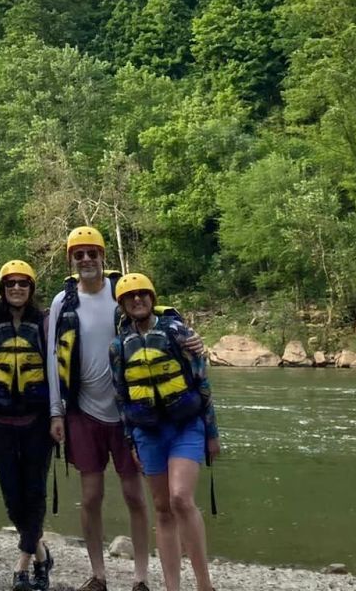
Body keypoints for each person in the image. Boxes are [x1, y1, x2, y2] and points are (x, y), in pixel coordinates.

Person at [46, 226, 152, 591]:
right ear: (71, 260)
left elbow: (155, 321)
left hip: (127, 412)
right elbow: (50, 358)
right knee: (90, 496)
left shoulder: (122, 294)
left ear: (102, 256)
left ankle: (140, 576)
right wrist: (55, 412)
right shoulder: (63, 302)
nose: (87, 259)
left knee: (135, 495)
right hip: (82, 410)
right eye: (79, 254)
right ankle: (99, 573)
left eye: (93, 252)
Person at [109, 273, 219, 591]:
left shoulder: (177, 332)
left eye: (143, 294)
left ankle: (204, 584)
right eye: (130, 297)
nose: (137, 299)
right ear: (123, 305)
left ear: (152, 298)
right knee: (161, 507)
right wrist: (130, 440)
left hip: (186, 425)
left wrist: (212, 433)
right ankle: (172, 586)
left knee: (181, 498)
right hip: (148, 433)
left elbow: (202, 383)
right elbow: (122, 396)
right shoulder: (118, 347)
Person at [0, 260, 55, 591]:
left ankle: (23, 567)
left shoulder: (44, 323)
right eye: (10, 283)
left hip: (37, 422)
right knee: (14, 500)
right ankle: (42, 553)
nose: (16, 288)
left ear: (31, 289)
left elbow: (60, 367)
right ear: (1, 288)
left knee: (35, 492)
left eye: (23, 283)